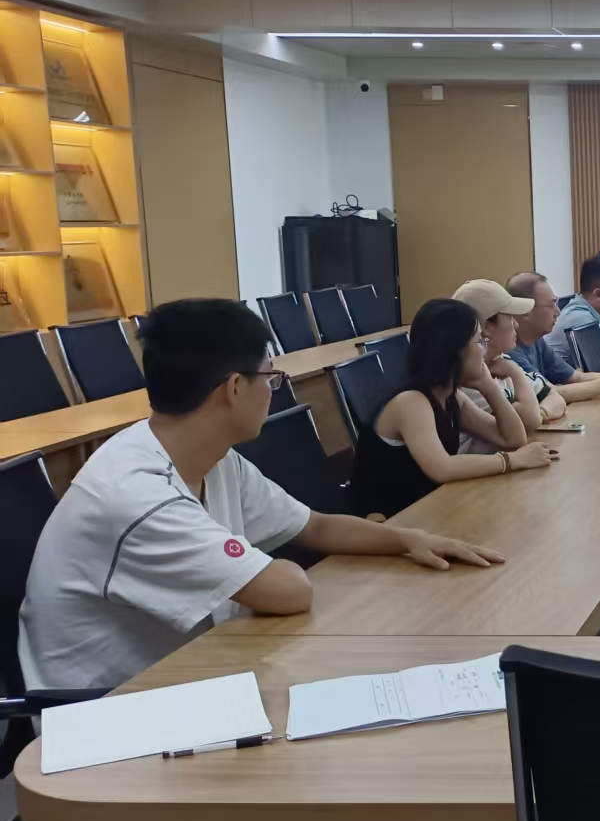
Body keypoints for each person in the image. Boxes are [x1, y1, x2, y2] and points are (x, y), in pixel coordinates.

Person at [19, 299, 502, 690]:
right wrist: (273, 568)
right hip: (107, 711)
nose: (275, 390)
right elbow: (289, 590)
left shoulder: (213, 458)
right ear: (234, 387)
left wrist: (407, 539)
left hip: (189, 669)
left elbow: (313, 526)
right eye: (272, 378)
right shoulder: (139, 495)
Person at [352, 297, 557, 518]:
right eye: (479, 341)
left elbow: (513, 439)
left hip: (424, 512)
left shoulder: (450, 396)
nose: (484, 350)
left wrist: (489, 386)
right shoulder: (411, 402)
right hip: (386, 521)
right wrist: (511, 461)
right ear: (454, 350)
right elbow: (442, 468)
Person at [504, 271, 600, 402]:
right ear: (526, 311)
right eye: (552, 304)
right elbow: (551, 393)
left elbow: (575, 377)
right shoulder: (509, 351)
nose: (558, 312)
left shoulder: (537, 341)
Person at [452, 278, 556, 437]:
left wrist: (541, 412)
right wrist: (516, 374)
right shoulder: (469, 379)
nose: (516, 325)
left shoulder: (500, 360)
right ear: (486, 327)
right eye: (509, 317)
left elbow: (554, 396)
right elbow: (527, 422)